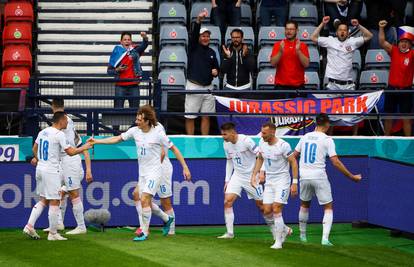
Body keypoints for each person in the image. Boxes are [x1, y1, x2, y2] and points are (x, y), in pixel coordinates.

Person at [88, 105, 191, 241]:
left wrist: (185, 167)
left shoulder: (158, 133)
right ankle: (166, 219)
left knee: (145, 199)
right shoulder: (135, 131)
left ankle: (145, 232)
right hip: (142, 173)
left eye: (140, 120)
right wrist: (97, 141)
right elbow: (117, 139)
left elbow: (174, 149)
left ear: (147, 121)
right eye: (136, 119)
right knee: (141, 198)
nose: (137, 122)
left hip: (155, 171)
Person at [292, 113, 362, 246]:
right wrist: (351, 176)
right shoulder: (327, 139)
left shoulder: (305, 137)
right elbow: (335, 162)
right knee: (328, 207)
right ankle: (324, 239)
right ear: (327, 124)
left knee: (304, 205)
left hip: (304, 176)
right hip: (319, 176)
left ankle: (302, 236)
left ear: (316, 123)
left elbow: (294, 155)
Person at [23, 112, 92, 241]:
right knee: (55, 200)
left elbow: (34, 149)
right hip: (51, 170)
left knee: (43, 200)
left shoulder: (43, 132)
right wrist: (85, 147)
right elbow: (71, 152)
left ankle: (29, 225)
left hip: (40, 169)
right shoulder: (59, 134)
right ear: (60, 121)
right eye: (66, 120)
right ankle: (53, 233)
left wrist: (40, 160)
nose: (67, 123)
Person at [311, 17, 373, 135]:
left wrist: (358, 25)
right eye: (340, 30)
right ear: (337, 31)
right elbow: (313, 38)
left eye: (345, 30)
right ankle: (330, 136)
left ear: (348, 32)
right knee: (331, 112)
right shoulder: (330, 40)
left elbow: (369, 36)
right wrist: (322, 24)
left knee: (354, 111)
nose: (342, 32)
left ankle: (354, 136)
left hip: (348, 84)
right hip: (333, 84)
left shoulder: (353, 41)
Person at [41, 98, 93, 235]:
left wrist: (88, 169)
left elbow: (73, 147)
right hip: (62, 160)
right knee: (59, 192)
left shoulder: (64, 122)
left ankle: (81, 226)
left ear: (53, 106)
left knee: (73, 192)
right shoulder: (67, 120)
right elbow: (78, 143)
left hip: (70, 160)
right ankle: (58, 223)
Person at [218, 122, 273, 239]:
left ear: (233, 133)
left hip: (252, 177)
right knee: (227, 201)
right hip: (237, 176)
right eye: (222, 134)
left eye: (225, 134)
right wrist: (227, 180)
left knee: (263, 207)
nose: (223, 137)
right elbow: (229, 161)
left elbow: (261, 155)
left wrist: (261, 172)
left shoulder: (246, 141)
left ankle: (278, 230)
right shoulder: (226, 144)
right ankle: (230, 233)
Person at [250, 122, 298, 249]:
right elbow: (260, 158)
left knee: (276, 208)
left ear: (273, 132)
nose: (262, 135)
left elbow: (293, 163)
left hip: (282, 181)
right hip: (269, 182)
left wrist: (294, 183)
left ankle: (278, 241)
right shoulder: (262, 143)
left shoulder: (283, 145)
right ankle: (285, 229)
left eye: (264, 133)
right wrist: (254, 175)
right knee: (266, 211)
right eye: (261, 132)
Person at [133, 120, 177, 236]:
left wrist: (154, 169)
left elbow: (163, 152)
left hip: (162, 169)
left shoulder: (158, 128)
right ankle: (143, 227)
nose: (138, 120)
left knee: (165, 201)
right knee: (137, 195)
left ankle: (171, 229)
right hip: (148, 170)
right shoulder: (141, 130)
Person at [185, 10, 220, 135]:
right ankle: (190, 142)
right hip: (194, 86)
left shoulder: (212, 51)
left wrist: (216, 71)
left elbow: (216, 68)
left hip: (208, 88)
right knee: (190, 116)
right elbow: (194, 34)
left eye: (207, 36)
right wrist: (199, 20)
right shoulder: (193, 47)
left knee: (206, 116)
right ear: (199, 37)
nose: (206, 38)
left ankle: (204, 140)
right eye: (203, 36)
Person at [379, 21, 414, 136]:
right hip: (392, 89)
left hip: (406, 90)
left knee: (406, 118)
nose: (404, 44)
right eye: (402, 42)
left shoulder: (412, 54)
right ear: (398, 43)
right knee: (388, 117)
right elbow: (382, 42)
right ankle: (386, 139)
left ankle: (409, 143)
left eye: (406, 42)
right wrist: (381, 28)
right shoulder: (393, 50)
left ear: (410, 44)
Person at [107, 31, 149, 109]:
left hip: (134, 85)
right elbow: (109, 71)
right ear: (121, 42)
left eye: (129, 39)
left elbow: (144, 45)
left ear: (131, 41)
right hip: (120, 86)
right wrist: (117, 69)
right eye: (125, 39)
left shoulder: (135, 50)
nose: (127, 41)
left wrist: (145, 37)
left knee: (135, 111)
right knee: (118, 110)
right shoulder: (116, 51)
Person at [270, 20, 310, 99]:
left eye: (291, 29)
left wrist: (298, 51)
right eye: (287, 29)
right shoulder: (278, 45)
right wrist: (280, 52)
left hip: (298, 87)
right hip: (280, 87)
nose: (289, 31)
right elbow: (273, 63)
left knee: (299, 111)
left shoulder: (302, 45)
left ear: (297, 30)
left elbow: (306, 64)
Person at [221, 29, 255, 93]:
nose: (235, 39)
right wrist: (228, 57)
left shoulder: (249, 51)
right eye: (233, 37)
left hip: (245, 87)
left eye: (237, 37)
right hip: (229, 87)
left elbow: (252, 68)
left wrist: (244, 56)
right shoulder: (227, 51)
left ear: (242, 38)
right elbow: (223, 70)